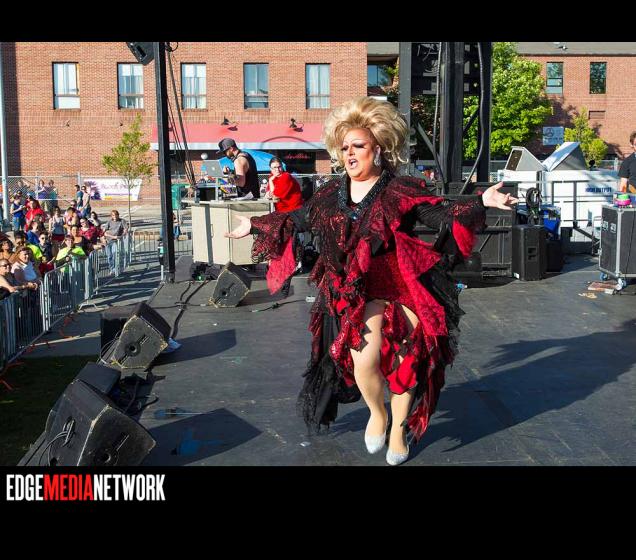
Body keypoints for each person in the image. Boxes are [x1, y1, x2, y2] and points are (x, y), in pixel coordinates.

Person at [225, 97, 518, 465]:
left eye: (358, 146)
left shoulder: (400, 189)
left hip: (404, 287)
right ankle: (378, 414)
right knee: (363, 361)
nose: (349, 153)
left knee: (405, 362)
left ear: (378, 148)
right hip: (359, 291)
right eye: (344, 146)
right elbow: (299, 218)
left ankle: (398, 429)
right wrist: (254, 224)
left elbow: (440, 214)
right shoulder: (331, 194)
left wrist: (481, 201)